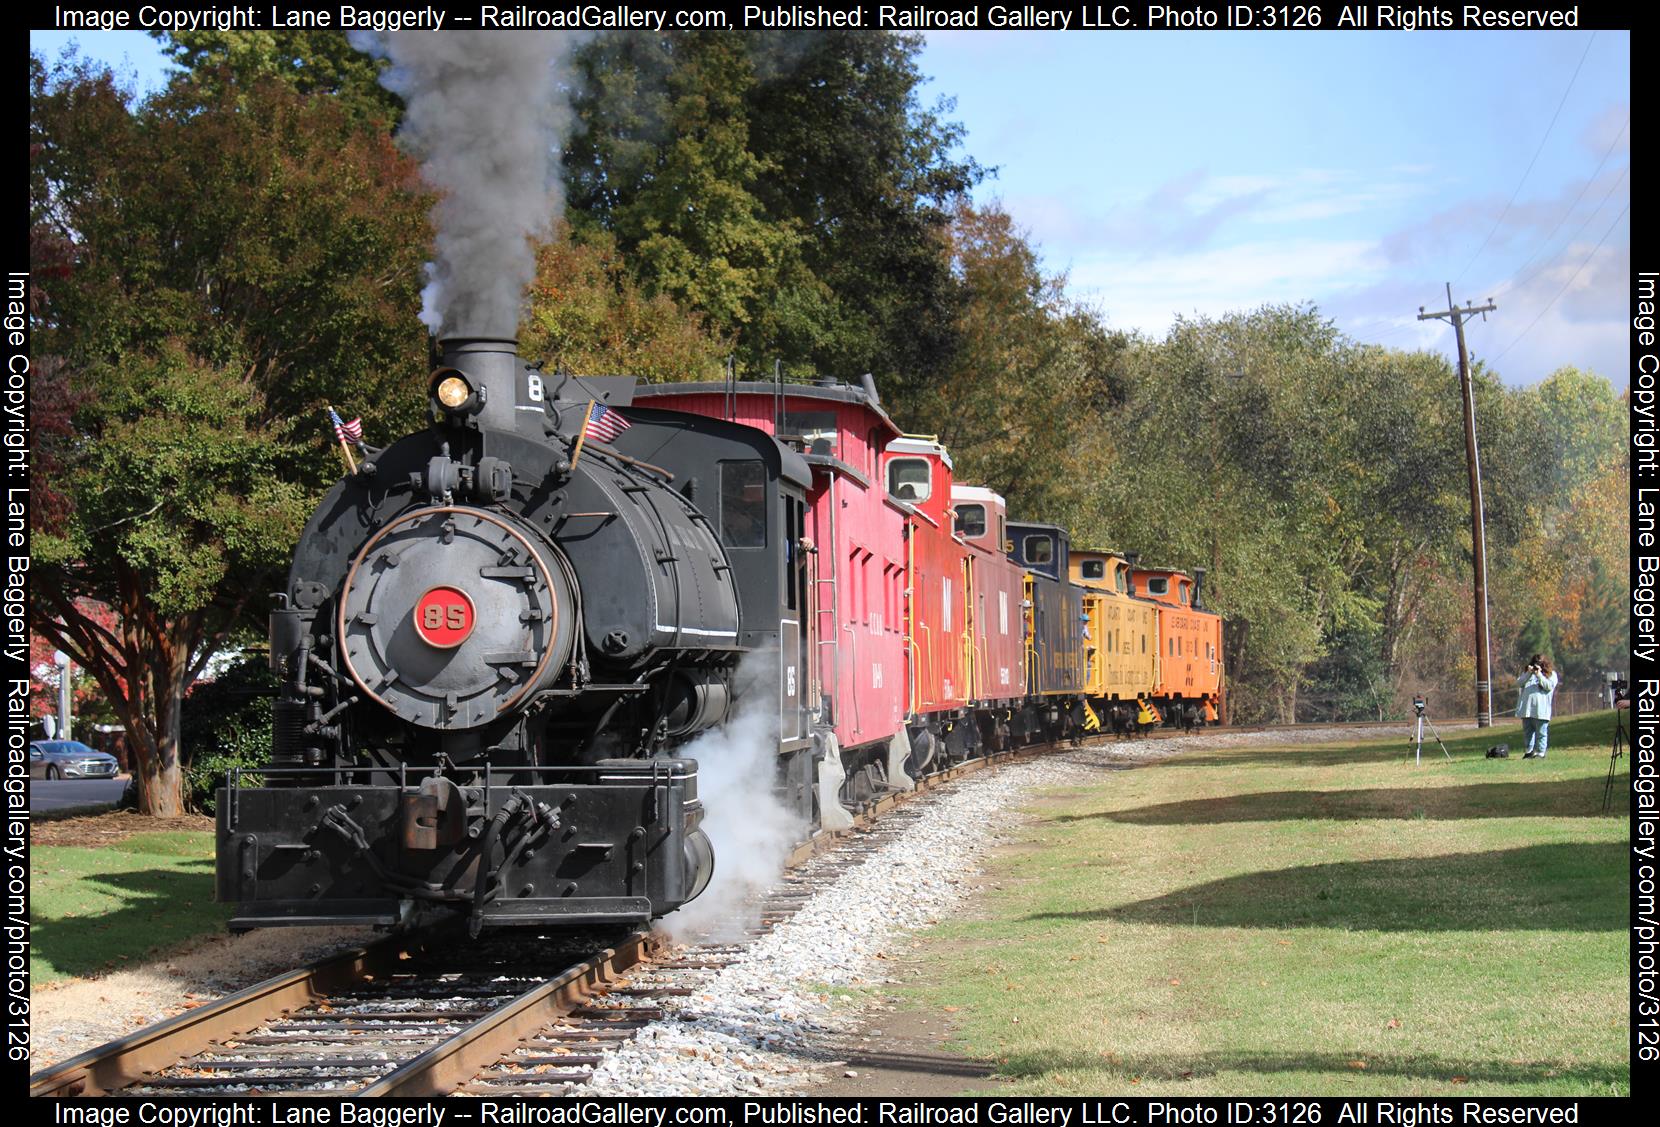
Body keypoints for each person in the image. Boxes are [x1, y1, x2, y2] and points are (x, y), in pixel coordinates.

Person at [1515, 654, 1559, 759]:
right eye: (1535, 663)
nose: (1537, 666)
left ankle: (1540, 753)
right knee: (1528, 733)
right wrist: (1528, 673)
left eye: (1540, 663)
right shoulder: (1528, 674)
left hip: (1541, 710)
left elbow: (1548, 686)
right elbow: (1519, 683)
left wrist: (1539, 674)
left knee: (1541, 733)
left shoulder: (1551, 675)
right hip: (1527, 710)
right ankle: (1529, 751)